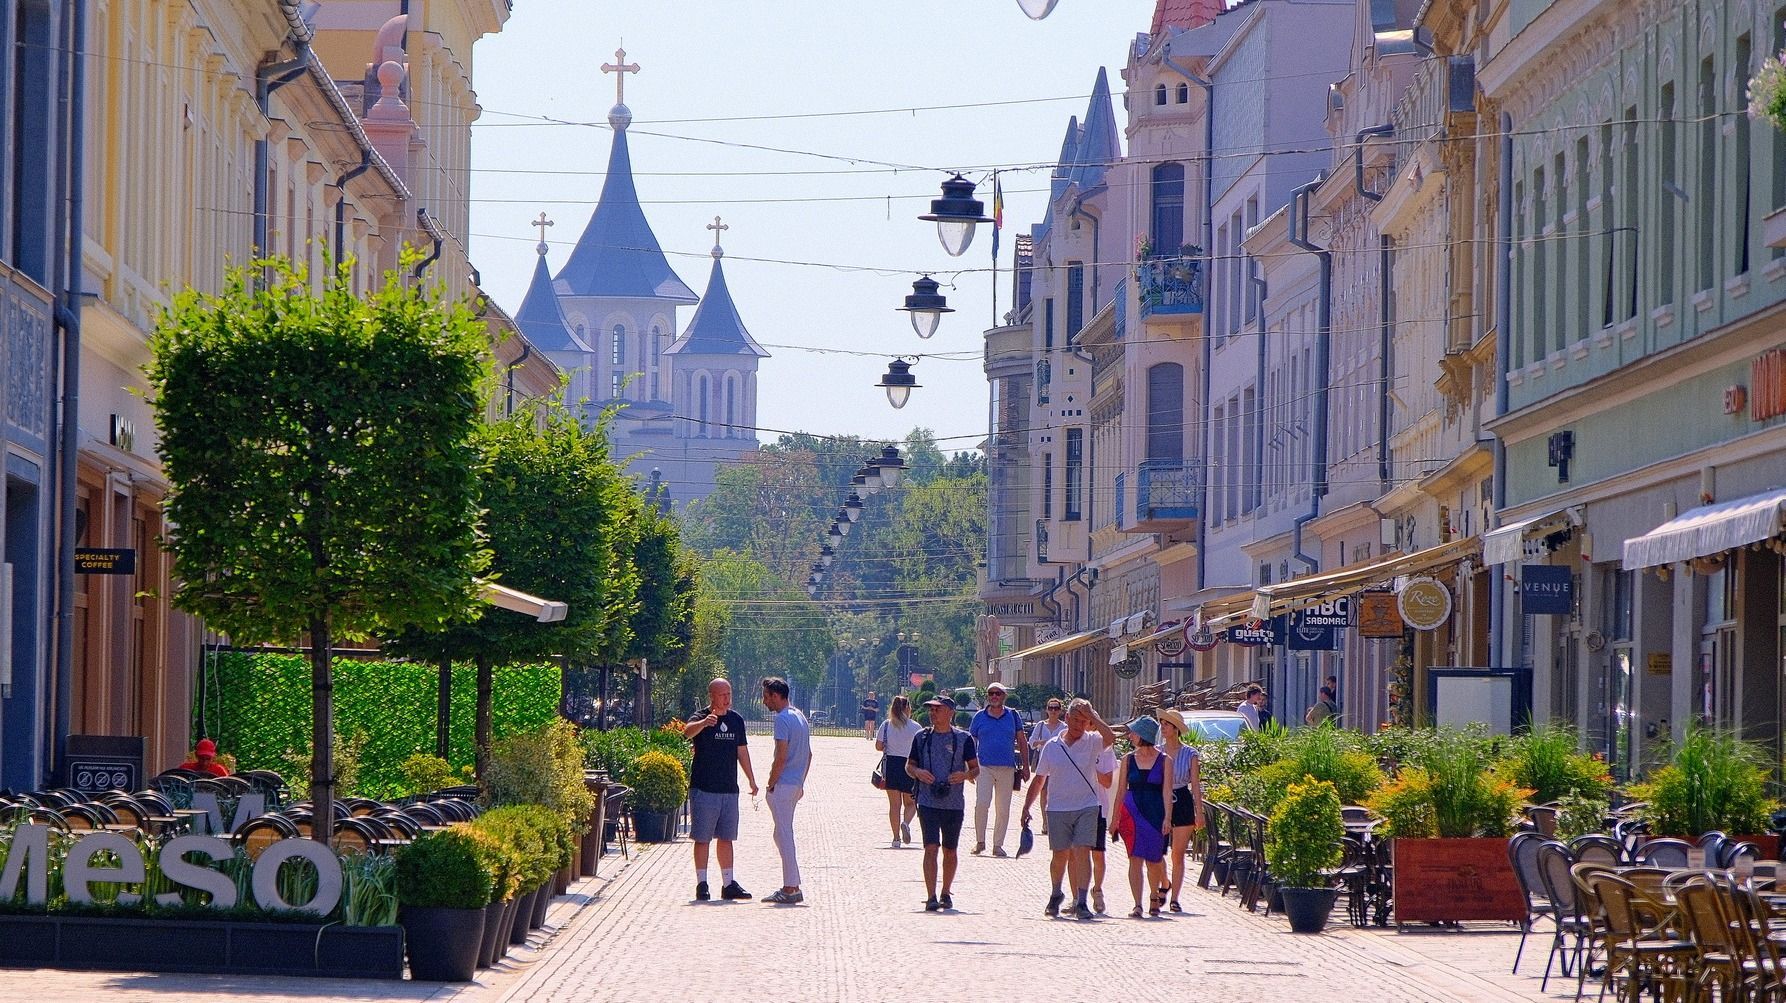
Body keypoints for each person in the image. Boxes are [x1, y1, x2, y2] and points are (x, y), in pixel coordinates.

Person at [1020, 698, 1115, 921]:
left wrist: (1094, 716)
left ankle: (1081, 900)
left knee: (1083, 852)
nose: (1079, 725)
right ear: (1066, 718)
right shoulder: (1053, 746)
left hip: (1087, 806)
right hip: (1058, 807)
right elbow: (1039, 779)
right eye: (1075, 720)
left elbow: (1111, 738)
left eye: (1083, 721)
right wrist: (1026, 806)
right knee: (1060, 855)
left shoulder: (1092, 741)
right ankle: (1056, 893)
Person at [682, 678, 759, 901]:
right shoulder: (701, 717)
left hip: (729, 789)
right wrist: (705, 723)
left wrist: (751, 780)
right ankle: (702, 883)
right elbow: (687, 732)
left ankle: (728, 884)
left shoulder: (736, 721)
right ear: (712, 696)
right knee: (702, 838)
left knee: (727, 837)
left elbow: (742, 752)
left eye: (729, 694)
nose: (727, 698)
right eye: (722, 694)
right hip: (704, 787)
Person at [907, 695, 979, 911]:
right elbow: (909, 766)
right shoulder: (921, 738)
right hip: (927, 800)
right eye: (931, 709)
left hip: (953, 803)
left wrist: (965, 776)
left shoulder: (963, 739)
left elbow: (976, 768)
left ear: (950, 712)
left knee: (950, 849)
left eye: (937, 709)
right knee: (930, 847)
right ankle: (931, 895)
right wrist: (918, 772)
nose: (933, 713)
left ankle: (946, 891)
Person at [1109, 715, 1173, 917]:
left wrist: (1168, 819)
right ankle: (1137, 903)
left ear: (1143, 735)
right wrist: (1115, 818)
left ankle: (1154, 896)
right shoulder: (1127, 759)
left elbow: (1167, 791)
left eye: (1133, 732)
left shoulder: (1165, 761)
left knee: (1154, 859)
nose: (1130, 736)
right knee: (1134, 858)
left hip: (1155, 812)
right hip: (1131, 812)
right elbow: (1120, 791)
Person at [761, 677, 811, 905]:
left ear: (775, 695)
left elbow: (780, 756)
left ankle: (790, 888)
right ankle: (793, 883)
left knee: (784, 835)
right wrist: (800, 782)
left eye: (766, 696)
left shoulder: (781, 719)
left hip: (782, 785)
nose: (764, 702)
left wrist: (771, 783)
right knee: (780, 834)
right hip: (795, 783)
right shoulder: (799, 716)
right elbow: (809, 755)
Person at [968, 681, 1028, 856]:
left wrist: (1025, 766)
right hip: (984, 766)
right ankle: (980, 841)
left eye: (998, 693)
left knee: (1003, 808)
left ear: (1004, 696)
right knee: (982, 803)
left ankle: (998, 844)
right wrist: (969, 766)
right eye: (991, 693)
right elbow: (971, 743)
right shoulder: (979, 717)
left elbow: (1022, 741)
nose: (994, 696)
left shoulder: (1013, 716)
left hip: (1007, 767)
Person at [1158, 709, 1203, 913]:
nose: (1163, 727)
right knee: (1156, 852)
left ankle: (1175, 897)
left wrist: (1199, 812)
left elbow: (1195, 784)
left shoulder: (1190, 753)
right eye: (1162, 723)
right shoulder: (1157, 751)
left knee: (1178, 854)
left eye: (1167, 724)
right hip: (1161, 800)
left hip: (1182, 799)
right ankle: (1164, 881)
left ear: (1176, 729)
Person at [874, 695, 923, 847]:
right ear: (908, 708)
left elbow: (878, 746)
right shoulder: (916, 727)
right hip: (910, 765)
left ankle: (896, 838)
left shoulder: (887, 725)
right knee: (911, 802)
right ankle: (906, 823)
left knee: (894, 805)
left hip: (892, 766)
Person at [1028, 698, 1067, 830]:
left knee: (1056, 792)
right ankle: (1045, 822)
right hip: (1044, 762)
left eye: (1056, 708)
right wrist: (1042, 742)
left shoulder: (1064, 727)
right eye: (1051, 708)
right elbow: (1031, 742)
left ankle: (1056, 821)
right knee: (1043, 792)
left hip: (1059, 764)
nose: (1053, 711)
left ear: (1060, 711)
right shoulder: (1040, 725)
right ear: (1047, 710)